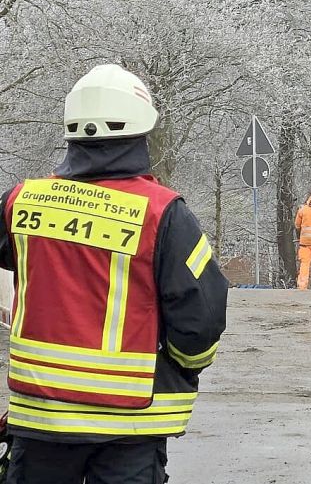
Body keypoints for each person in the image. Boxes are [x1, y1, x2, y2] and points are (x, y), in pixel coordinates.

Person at [0, 64, 228, 483]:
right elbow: (201, 318)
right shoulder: (163, 214)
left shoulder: (20, 202)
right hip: (128, 425)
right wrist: (182, 366)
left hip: (39, 423)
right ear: (142, 129)